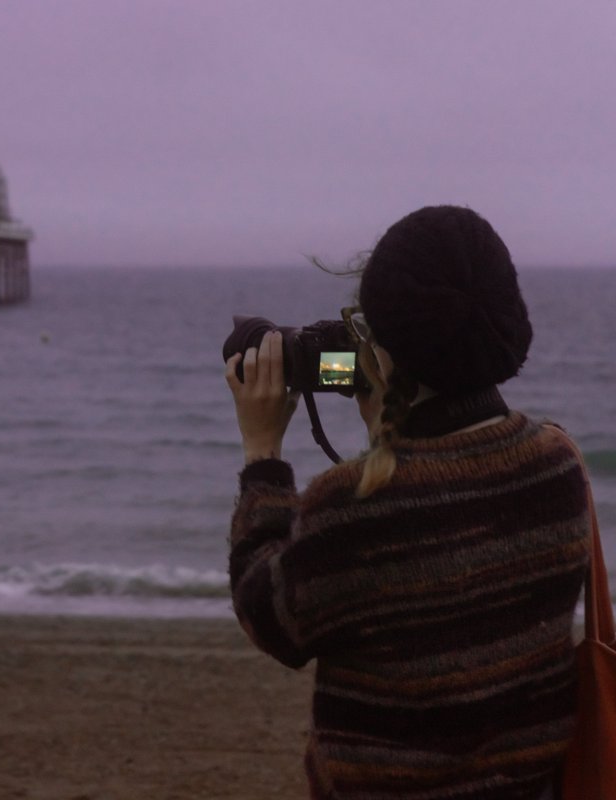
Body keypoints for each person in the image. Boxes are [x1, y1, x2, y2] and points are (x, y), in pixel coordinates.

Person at [223, 205, 590, 800]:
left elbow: (270, 619)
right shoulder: (556, 463)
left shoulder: (355, 505)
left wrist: (263, 453)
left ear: (382, 351)